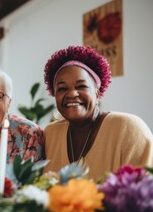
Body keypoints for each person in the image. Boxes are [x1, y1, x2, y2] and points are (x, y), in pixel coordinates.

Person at [43, 45, 153, 180]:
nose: (71, 93)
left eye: (81, 86)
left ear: (98, 92)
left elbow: (144, 194)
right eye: (62, 88)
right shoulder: (50, 134)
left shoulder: (129, 129)